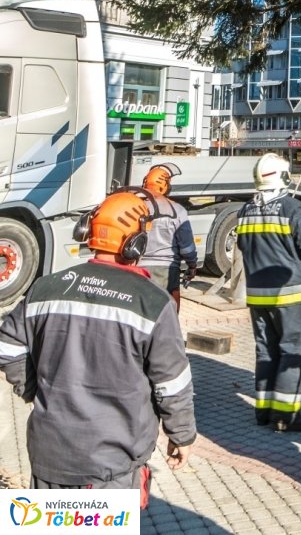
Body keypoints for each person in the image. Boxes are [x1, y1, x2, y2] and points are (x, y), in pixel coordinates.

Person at [0, 190, 196, 503]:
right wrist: (181, 435)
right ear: (136, 243)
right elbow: (171, 383)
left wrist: (33, 388)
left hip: (49, 454)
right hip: (110, 465)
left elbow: (7, 348)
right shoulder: (153, 303)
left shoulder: (45, 288)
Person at [236, 153, 301, 431]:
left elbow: (244, 246)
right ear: (284, 177)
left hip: (257, 294)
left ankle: (263, 411)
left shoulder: (245, 210)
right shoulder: (291, 207)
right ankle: (285, 416)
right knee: (296, 350)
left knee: (266, 351)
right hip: (288, 293)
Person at [139, 162, 198, 309]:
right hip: (166, 271)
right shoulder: (177, 210)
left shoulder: (135, 207)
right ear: (165, 186)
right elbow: (187, 247)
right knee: (168, 313)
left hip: (138, 268)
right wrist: (192, 265)